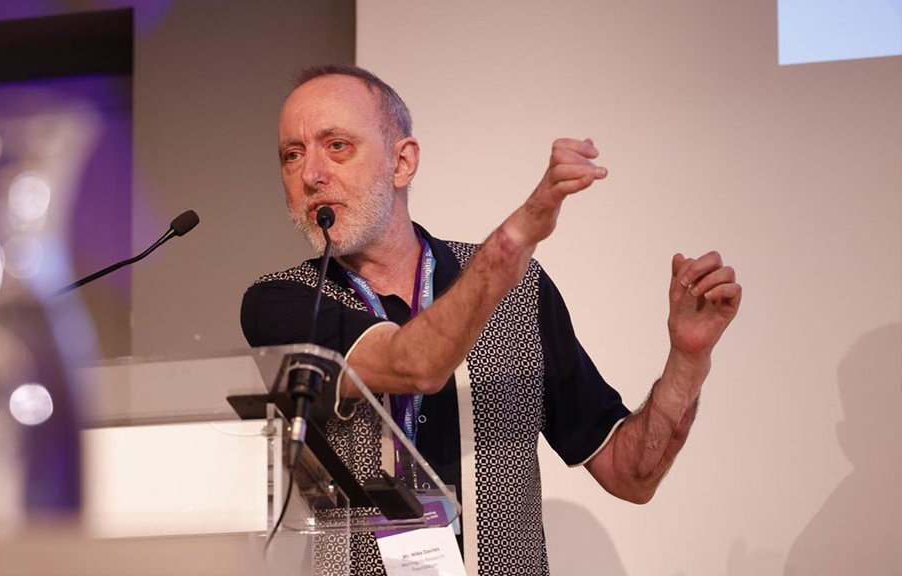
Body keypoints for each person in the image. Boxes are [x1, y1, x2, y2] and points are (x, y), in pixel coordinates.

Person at [241, 64, 741, 575]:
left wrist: (688, 360)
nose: (310, 174)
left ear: (402, 162)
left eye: (337, 146)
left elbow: (631, 476)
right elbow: (415, 364)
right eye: (292, 155)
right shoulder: (281, 303)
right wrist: (518, 235)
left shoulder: (520, 292)